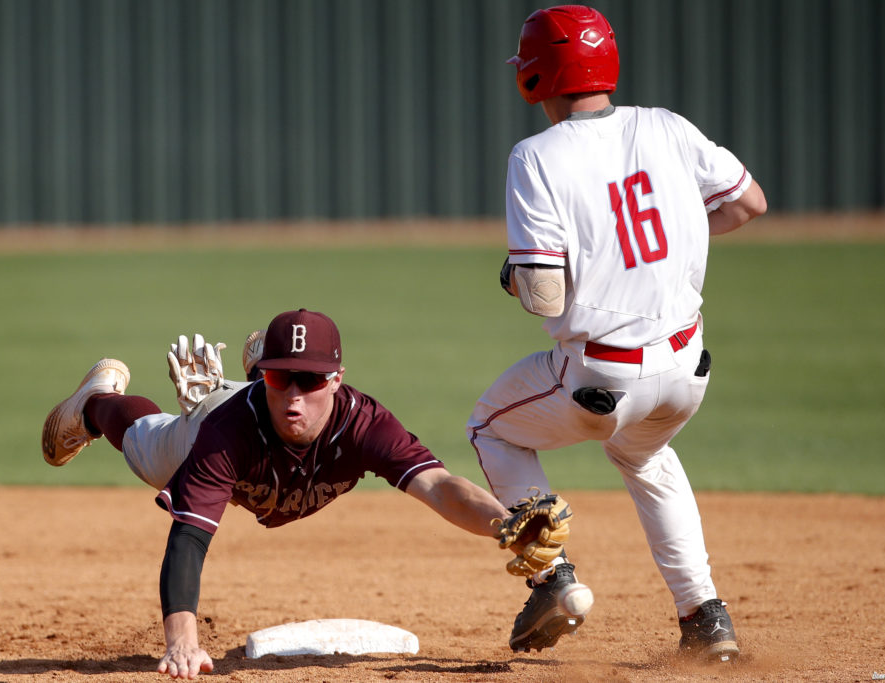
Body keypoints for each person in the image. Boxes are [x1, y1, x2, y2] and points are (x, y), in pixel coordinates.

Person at [468, 5, 768, 661]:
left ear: (534, 77)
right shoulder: (666, 126)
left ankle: (554, 580)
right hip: (689, 369)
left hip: (601, 377)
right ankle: (705, 618)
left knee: (490, 426)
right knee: (645, 454)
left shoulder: (536, 155)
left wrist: (516, 276)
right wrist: (665, 244)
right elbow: (748, 203)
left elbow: (542, 293)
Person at [41, 308, 542, 679]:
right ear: (267, 378)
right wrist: (182, 644)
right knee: (146, 447)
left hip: (257, 430)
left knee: (272, 415)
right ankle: (95, 401)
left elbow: (438, 485)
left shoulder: (364, 424)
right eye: (282, 377)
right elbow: (189, 539)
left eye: (310, 378)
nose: (296, 393)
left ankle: (252, 367)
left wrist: (505, 524)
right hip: (212, 425)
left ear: (338, 379)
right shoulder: (225, 433)